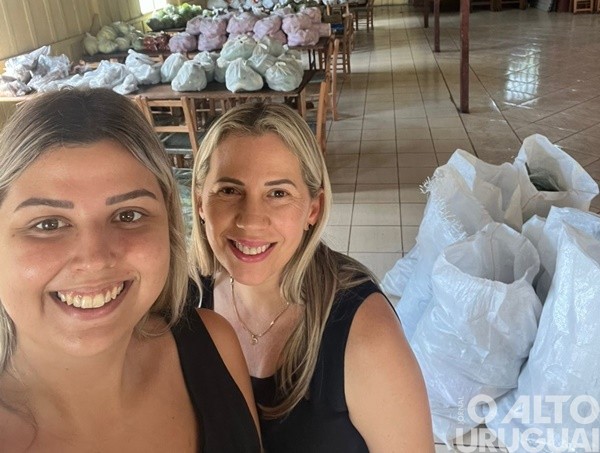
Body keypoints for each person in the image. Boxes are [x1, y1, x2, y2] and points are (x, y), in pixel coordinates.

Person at [0, 88, 261, 452]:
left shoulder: (214, 346)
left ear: (168, 224)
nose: (94, 259)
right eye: (48, 224)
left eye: (128, 215)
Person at [189, 102, 434, 452]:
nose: (251, 220)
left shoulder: (364, 331)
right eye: (229, 190)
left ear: (313, 209)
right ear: (201, 202)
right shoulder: (185, 302)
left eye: (278, 193)